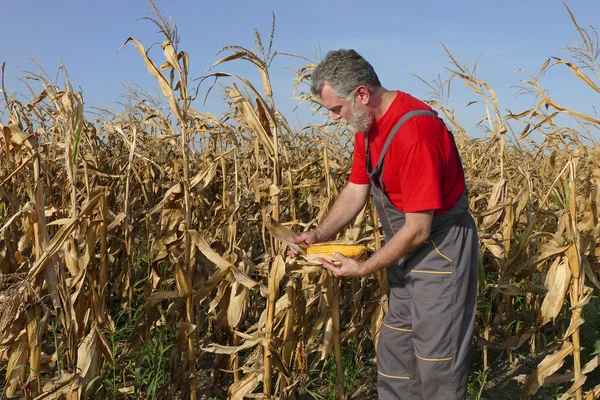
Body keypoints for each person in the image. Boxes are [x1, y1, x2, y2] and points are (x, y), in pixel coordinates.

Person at [291, 49, 479, 399]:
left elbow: (419, 228)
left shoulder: (415, 132)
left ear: (361, 94)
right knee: (396, 355)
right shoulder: (367, 126)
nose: (334, 118)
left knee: (435, 362)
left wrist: (364, 268)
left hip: (440, 255)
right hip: (404, 257)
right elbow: (355, 190)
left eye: (336, 108)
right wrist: (318, 235)